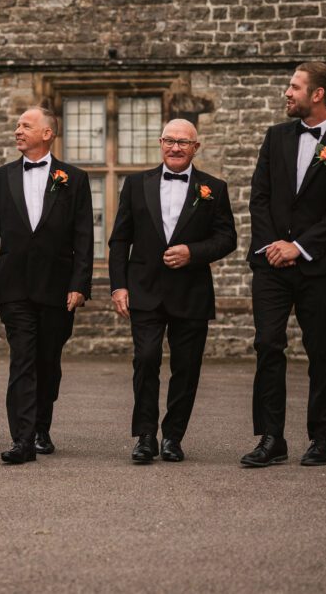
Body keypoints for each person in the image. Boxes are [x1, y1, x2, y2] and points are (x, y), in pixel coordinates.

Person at [243, 62, 326, 467]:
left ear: (318, 94)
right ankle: (271, 438)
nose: (287, 92)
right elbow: (258, 197)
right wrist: (272, 247)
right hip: (271, 266)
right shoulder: (276, 136)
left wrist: (299, 246)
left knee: (321, 352)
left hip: (319, 267)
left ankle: (320, 439)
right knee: (267, 346)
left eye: (294, 87)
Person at [108, 119, 237, 464]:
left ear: (196, 148)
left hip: (191, 293)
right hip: (144, 290)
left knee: (187, 367)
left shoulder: (215, 188)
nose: (175, 147)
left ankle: (174, 437)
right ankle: (146, 435)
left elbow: (227, 239)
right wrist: (118, 285)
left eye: (183, 142)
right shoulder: (136, 185)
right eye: (169, 140)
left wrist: (192, 252)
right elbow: (120, 239)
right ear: (160, 143)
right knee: (146, 359)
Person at [0, 104, 93, 464]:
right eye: (17, 125)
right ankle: (22, 439)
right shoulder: (0, 178)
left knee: (48, 361)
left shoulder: (73, 179)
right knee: (22, 360)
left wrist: (80, 283)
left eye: (26, 125)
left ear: (47, 133)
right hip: (13, 285)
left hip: (57, 287)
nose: (18, 130)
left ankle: (41, 425)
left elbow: (83, 236)